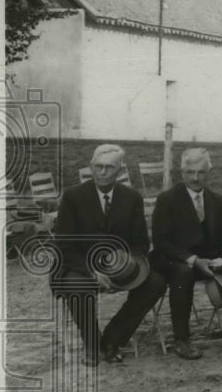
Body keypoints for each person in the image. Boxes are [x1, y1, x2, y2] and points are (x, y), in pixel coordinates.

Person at [51, 144, 166, 365]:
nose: (103, 172)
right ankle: (92, 344)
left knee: (155, 283)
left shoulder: (131, 197)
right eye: (99, 167)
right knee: (78, 287)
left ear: (120, 170)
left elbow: (140, 243)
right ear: (91, 167)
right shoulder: (73, 197)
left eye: (109, 168)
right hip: (79, 266)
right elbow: (63, 246)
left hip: (120, 267)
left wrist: (124, 268)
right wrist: (92, 271)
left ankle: (113, 339)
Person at [151, 148, 222, 359]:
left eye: (201, 172)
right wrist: (193, 260)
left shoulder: (217, 200)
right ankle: (181, 339)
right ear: (181, 172)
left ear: (209, 172)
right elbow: (161, 242)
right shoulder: (166, 199)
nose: (195, 178)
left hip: (211, 261)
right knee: (182, 273)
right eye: (190, 172)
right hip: (177, 260)